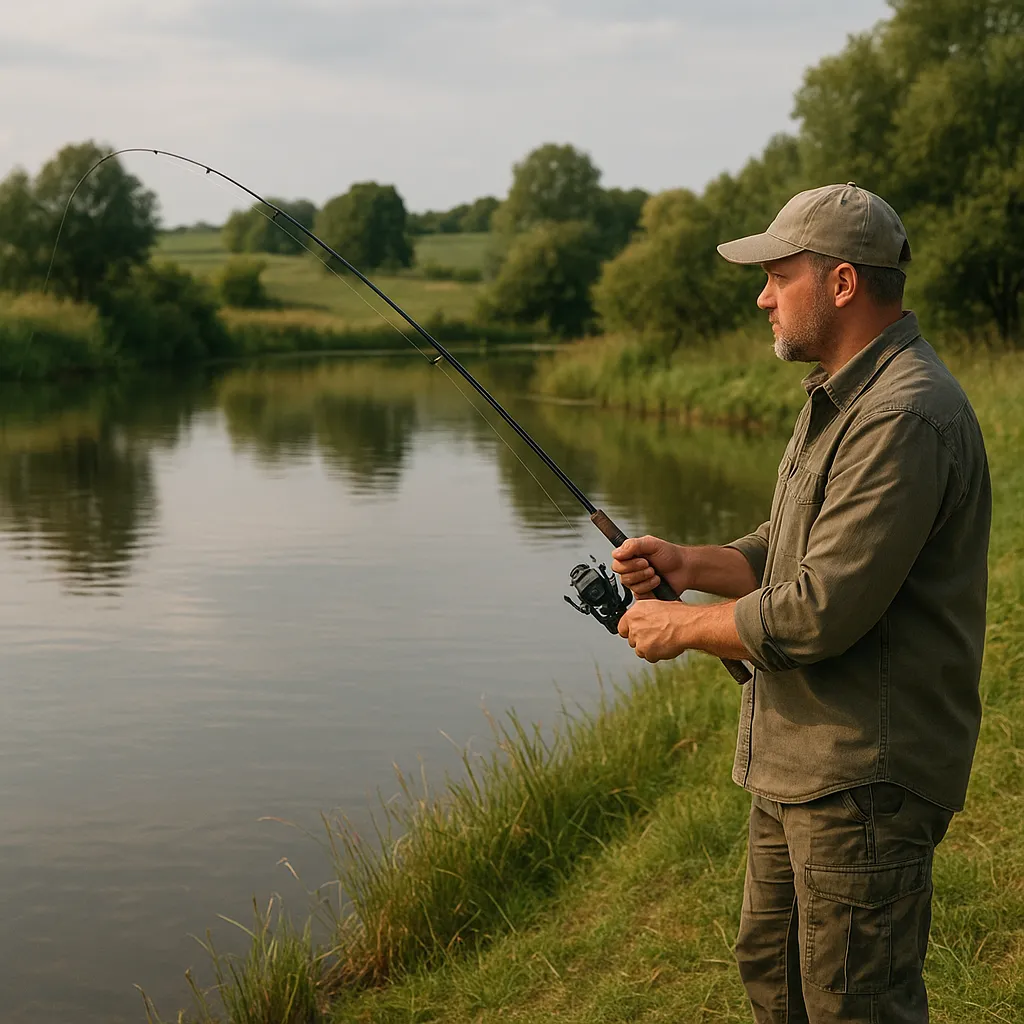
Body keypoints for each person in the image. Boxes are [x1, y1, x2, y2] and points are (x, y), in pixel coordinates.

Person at [612, 183, 991, 1023]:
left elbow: (819, 608)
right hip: (801, 767)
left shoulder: (904, 415)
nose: (763, 295)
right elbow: (788, 550)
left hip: (864, 779)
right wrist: (692, 562)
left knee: (854, 1004)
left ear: (843, 284)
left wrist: (684, 627)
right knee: (775, 980)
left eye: (779, 276)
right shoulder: (839, 394)